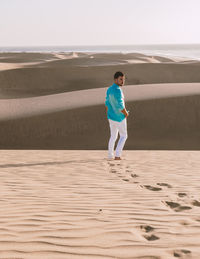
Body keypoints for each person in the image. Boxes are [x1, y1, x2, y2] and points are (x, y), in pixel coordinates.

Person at [105, 71, 129, 160]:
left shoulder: (109, 89)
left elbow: (107, 103)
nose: (122, 81)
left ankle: (110, 155)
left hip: (111, 117)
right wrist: (125, 113)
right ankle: (118, 155)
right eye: (120, 79)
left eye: (123, 79)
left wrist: (109, 114)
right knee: (124, 135)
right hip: (119, 117)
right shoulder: (118, 90)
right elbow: (120, 105)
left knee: (113, 136)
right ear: (115, 79)